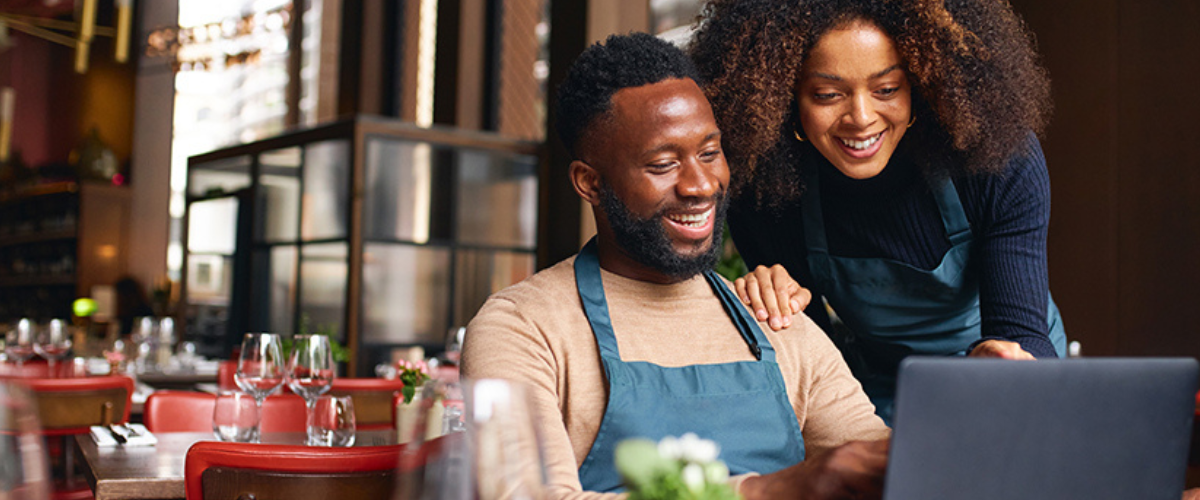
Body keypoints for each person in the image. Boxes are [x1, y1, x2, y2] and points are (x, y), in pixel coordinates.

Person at [462, 33, 889, 500]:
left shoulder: (776, 320)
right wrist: (762, 491)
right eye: (664, 164)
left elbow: (884, 471)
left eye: (710, 153)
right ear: (590, 182)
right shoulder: (523, 328)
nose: (701, 185)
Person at [689, 0, 1067, 423]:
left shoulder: (994, 160)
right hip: (881, 383)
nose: (861, 118)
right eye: (828, 95)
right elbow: (812, 362)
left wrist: (1000, 360)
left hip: (1003, 367)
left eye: (887, 89)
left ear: (921, 85)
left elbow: (1022, 335)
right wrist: (772, 303)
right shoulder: (767, 193)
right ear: (783, 97)